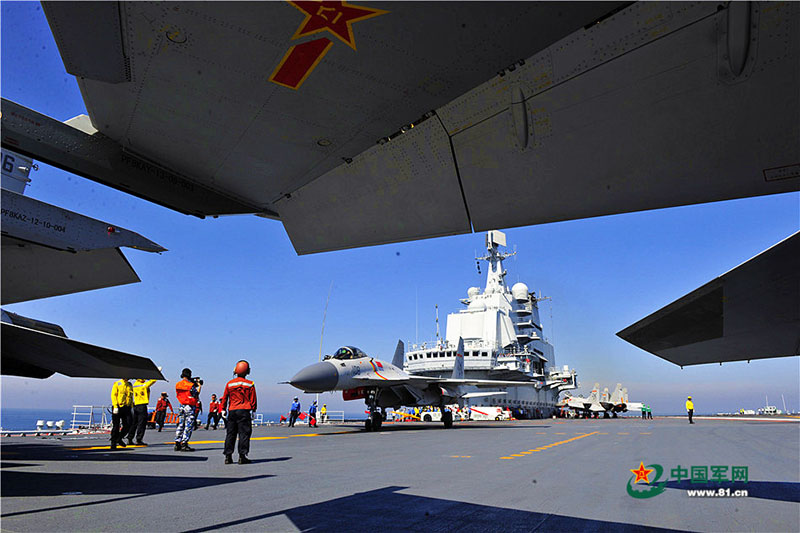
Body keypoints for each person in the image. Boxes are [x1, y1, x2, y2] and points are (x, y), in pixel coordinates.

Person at [220, 360, 257, 464]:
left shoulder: (229, 384)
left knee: (230, 434)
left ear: (235, 370)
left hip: (232, 411)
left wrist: (223, 409)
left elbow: (225, 398)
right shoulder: (250, 384)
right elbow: (253, 399)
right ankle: (242, 457)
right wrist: (254, 410)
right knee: (244, 434)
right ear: (247, 371)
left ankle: (228, 457)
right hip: (244, 411)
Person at [175, 368, 201, 451]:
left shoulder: (178, 384)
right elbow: (196, 394)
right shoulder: (190, 385)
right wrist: (199, 386)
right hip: (189, 406)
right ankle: (184, 443)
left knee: (181, 424)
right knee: (188, 425)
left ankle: (177, 442)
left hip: (181, 405)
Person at [128, 378, 157, 445]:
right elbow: (153, 381)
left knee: (134, 423)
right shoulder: (144, 385)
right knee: (142, 423)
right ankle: (139, 439)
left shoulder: (135, 384)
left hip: (135, 405)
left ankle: (130, 438)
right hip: (142, 405)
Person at [110, 378, 133, 450]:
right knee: (116, 426)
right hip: (118, 407)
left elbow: (131, 397)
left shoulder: (130, 385)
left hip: (127, 407)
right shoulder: (117, 384)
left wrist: (131, 406)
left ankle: (119, 438)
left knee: (128, 424)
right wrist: (115, 406)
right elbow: (113, 395)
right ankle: (113, 442)